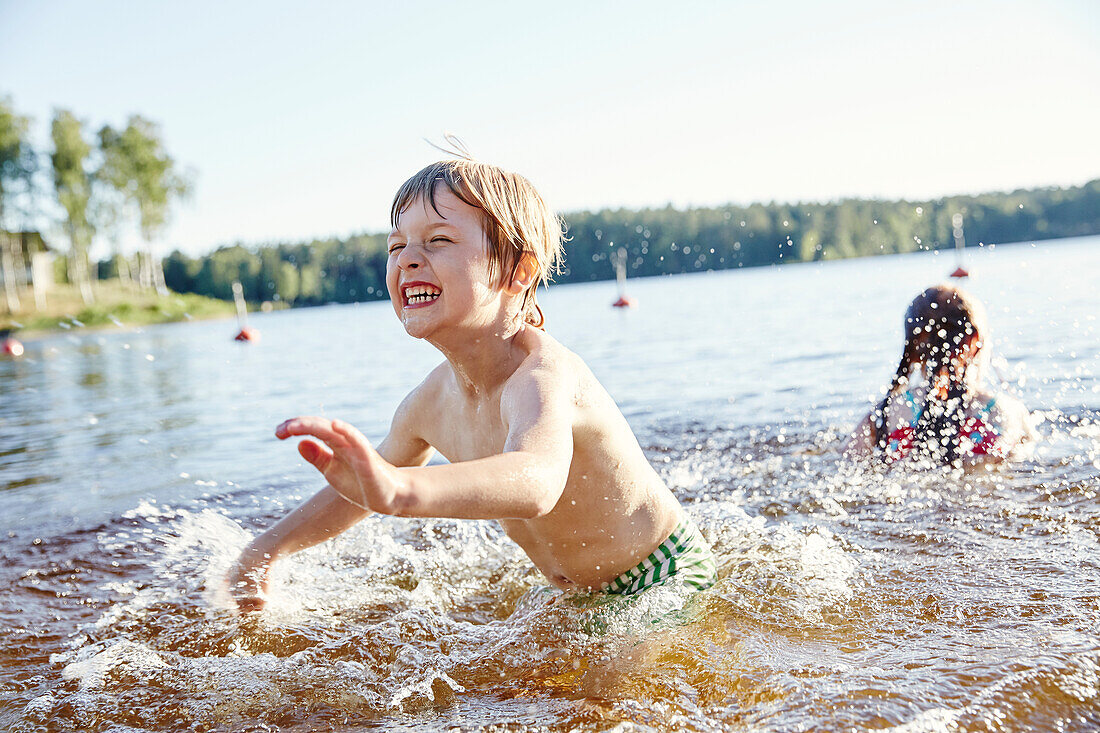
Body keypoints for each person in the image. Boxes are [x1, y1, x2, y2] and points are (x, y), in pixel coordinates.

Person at [226, 158, 716, 612]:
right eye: (396, 246)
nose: (408, 260)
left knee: (603, 703)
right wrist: (267, 549)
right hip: (573, 595)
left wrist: (402, 490)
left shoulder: (543, 376)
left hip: (663, 576)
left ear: (517, 270)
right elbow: (363, 487)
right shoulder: (427, 404)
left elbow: (537, 480)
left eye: (438, 240)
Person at [845, 284, 1036, 466]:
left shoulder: (882, 417)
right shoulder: (1009, 412)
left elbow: (848, 463)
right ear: (974, 341)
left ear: (912, 347)